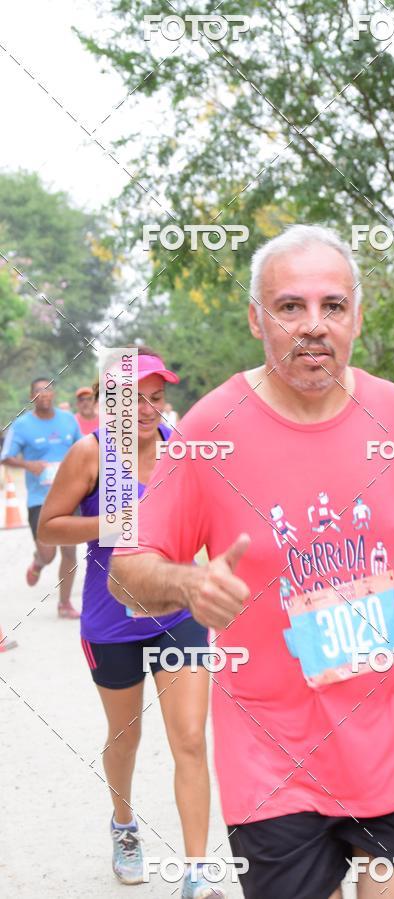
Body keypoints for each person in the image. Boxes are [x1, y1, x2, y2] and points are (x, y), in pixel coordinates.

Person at [109, 226, 394, 899]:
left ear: (356, 316)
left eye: (332, 306)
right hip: (273, 758)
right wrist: (187, 583)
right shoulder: (209, 430)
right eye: (290, 306)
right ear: (256, 319)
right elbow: (127, 568)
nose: (314, 325)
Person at [37, 348, 221, 899]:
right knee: (126, 737)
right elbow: (50, 528)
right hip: (110, 620)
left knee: (189, 739)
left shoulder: (183, 450)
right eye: (134, 398)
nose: (147, 409)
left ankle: (196, 873)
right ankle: (123, 825)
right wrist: (112, 519)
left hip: (178, 614)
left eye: (157, 397)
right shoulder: (90, 454)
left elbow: (209, 517)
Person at [1, 377, 81, 617]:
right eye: (38, 391)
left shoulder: (68, 420)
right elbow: (5, 456)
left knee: (69, 552)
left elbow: (83, 450)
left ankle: (64, 604)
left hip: (69, 498)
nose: (44, 394)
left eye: (48, 389)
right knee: (49, 553)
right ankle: (38, 562)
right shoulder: (22, 425)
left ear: (53, 393)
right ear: (31, 397)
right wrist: (29, 465)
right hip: (40, 500)